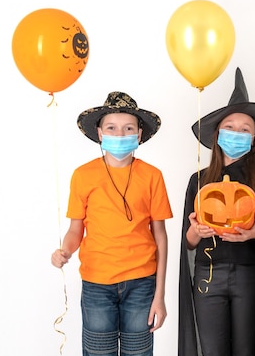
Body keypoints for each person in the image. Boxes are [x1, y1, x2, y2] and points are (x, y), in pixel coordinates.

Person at [50, 92, 172, 356]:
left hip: (142, 283)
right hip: (96, 284)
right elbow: (75, 229)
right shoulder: (83, 176)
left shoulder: (152, 176)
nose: (120, 134)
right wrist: (66, 251)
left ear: (139, 134)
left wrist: (159, 295)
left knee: (138, 352)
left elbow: (160, 236)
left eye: (128, 128)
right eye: (111, 128)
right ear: (100, 133)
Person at [178, 67, 255, 356]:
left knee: (247, 349)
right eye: (230, 127)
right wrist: (195, 232)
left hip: (249, 276)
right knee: (212, 351)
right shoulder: (199, 181)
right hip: (208, 277)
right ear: (217, 134)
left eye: (245, 130)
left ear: (254, 138)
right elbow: (187, 243)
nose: (236, 134)